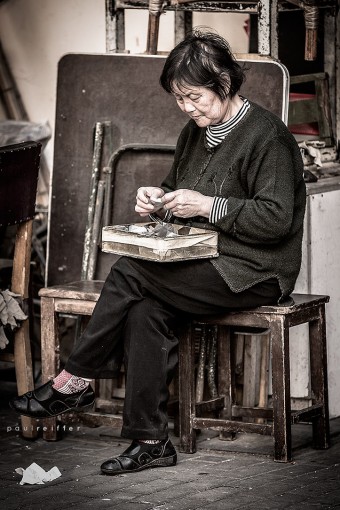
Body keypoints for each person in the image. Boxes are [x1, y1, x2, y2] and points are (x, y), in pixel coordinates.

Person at [10, 29, 306, 475]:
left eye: (194, 97)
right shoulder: (195, 133)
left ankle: (75, 379)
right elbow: (177, 192)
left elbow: (277, 220)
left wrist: (209, 205)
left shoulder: (269, 137)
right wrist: (159, 200)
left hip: (255, 270)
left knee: (131, 272)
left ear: (224, 83)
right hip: (206, 259)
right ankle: (150, 441)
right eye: (179, 99)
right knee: (146, 308)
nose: (187, 108)